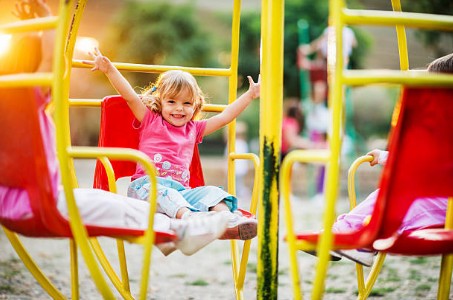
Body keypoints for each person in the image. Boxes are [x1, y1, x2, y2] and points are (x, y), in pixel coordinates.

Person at [0, 0, 231, 257]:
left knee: (113, 202)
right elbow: (50, 63)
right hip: (36, 204)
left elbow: (46, 63)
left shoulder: (12, 98)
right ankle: (177, 233)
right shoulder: (21, 99)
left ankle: (167, 237)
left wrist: (31, 27)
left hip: (34, 200)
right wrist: (45, 19)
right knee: (119, 207)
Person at [83, 48, 260, 241]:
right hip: (146, 188)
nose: (179, 108)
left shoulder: (194, 129)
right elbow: (130, 96)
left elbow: (225, 117)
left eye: (186, 103)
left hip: (182, 192)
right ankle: (190, 220)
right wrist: (109, 70)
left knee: (214, 192)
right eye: (172, 101)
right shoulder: (150, 120)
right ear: (160, 102)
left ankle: (229, 220)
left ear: (196, 105)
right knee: (166, 193)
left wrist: (249, 95)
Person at [306, 53, 453, 267]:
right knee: (398, 193)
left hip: (444, 205)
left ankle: (356, 237)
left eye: (434, 89)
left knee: (402, 193)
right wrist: (387, 157)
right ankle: (356, 236)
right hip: (442, 201)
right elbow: (432, 163)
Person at [224, 121, 251, 199]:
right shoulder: (242, 143)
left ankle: (236, 194)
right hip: (239, 167)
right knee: (237, 182)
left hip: (236, 167)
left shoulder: (233, 143)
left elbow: (227, 156)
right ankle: (236, 193)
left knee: (235, 182)